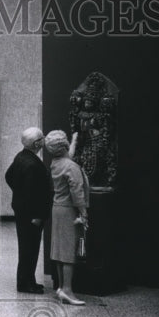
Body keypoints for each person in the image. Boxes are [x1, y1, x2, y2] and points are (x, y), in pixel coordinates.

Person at [4, 127, 53, 294]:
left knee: (26, 248)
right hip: (31, 215)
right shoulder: (32, 164)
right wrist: (38, 216)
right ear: (36, 143)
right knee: (29, 249)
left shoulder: (21, 157)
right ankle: (25, 284)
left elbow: (8, 175)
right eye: (42, 138)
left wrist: (18, 193)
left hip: (22, 211)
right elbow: (35, 195)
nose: (44, 140)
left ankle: (28, 281)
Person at [44, 129, 89, 306]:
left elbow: (67, 156)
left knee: (59, 251)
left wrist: (74, 140)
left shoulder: (56, 162)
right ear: (63, 146)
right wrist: (84, 213)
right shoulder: (71, 167)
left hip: (57, 209)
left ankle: (61, 287)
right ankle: (68, 290)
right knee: (69, 252)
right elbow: (77, 193)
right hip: (70, 210)